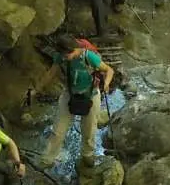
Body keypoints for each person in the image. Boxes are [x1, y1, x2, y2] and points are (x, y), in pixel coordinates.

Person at [33, 34, 114, 169]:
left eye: (68, 54)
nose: (66, 57)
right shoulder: (61, 58)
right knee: (58, 130)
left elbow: (109, 70)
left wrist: (106, 83)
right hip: (69, 94)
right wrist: (37, 89)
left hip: (91, 95)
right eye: (64, 55)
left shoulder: (89, 57)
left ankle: (87, 155)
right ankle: (47, 159)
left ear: (76, 49)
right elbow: (51, 74)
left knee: (89, 130)